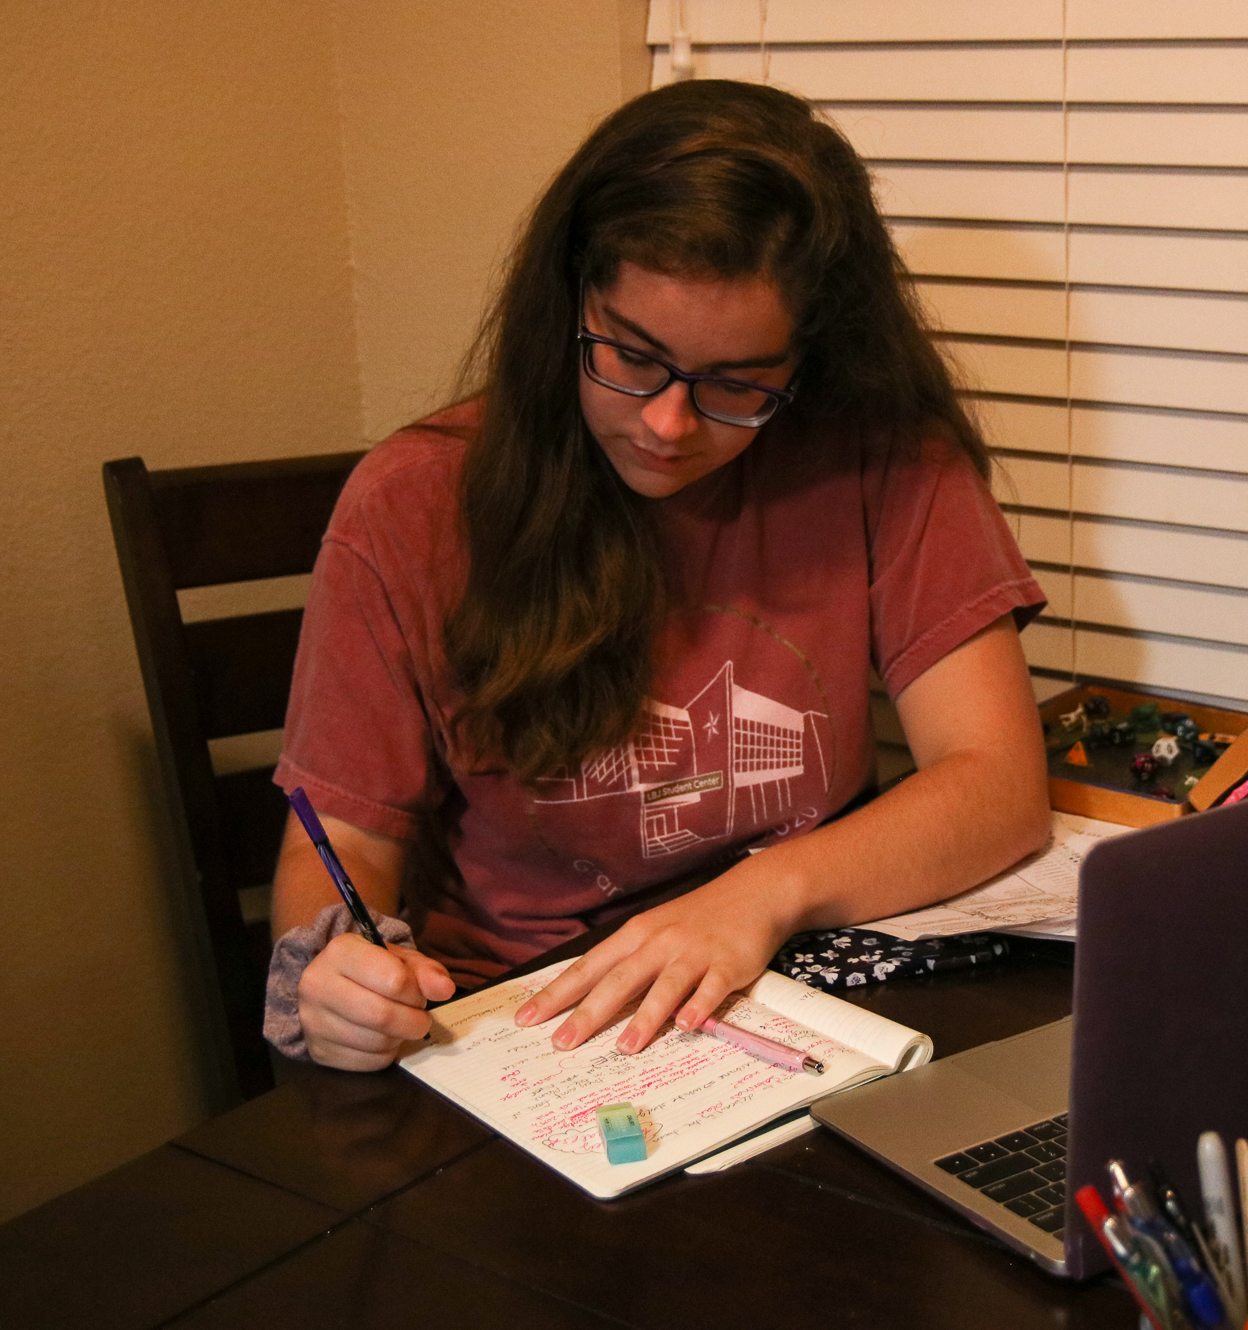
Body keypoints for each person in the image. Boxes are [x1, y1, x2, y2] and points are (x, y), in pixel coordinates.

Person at [267, 80, 1052, 1073]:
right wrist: (333, 972)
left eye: (737, 383)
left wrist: (755, 898)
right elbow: (335, 843)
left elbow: (995, 782)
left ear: (809, 355)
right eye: (631, 357)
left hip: (801, 985)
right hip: (527, 1020)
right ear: (568, 305)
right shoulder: (413, 504)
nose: (668, 424)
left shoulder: (883, 459)